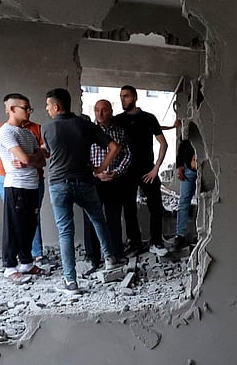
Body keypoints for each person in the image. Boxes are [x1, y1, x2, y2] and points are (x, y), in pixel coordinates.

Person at [41, 88, 124, 295]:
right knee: (98, 220)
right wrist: (100, 168)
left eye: (48, 105)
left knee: (65, 232)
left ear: (57, 106)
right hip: (85, 182)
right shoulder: (85, 125)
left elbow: (48, 153)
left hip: (59, 184)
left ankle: (71, 282)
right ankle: (110, 260)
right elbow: (115, 147)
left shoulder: (48, 128)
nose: (47, 109)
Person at [0, 94, 46, 284]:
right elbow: (26, 158)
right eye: (25, 108)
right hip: (16, 186)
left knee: (30, 225)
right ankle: (9, 267)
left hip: (32, 184)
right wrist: (31, 158)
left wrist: (30, 159)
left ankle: (26, 262)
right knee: (14, 227)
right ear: (12, 109)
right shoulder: (5, 131)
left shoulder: (28, 133)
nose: (29, 111)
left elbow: (41, 160)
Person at [112, 85, 168, 256]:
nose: (123, 99)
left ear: (135, 97)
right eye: (121, 96)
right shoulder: (117, 120)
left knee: (156, 207)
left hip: (147, 170)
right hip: (126, 171)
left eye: (126, 96)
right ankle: (135, 243)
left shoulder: (148, 118)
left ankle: (156, 242)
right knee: (129, 209)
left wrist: (156, 169)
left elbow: (163, 144)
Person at [82, 99, 133, 271]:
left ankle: (115, 253)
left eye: (104, 110)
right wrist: (95, 172)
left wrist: (117, 172)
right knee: (91, 218)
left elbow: (127, 155)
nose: (100, 114)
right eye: (97, 110)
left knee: (113, 217)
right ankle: (92, 257)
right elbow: (81, 156)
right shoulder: (87, 132)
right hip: (93, 181)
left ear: (111, 111)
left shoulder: (119, 132)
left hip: (114, 180)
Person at [170, 134, 197, 248]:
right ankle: (180, 236)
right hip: (189, 169)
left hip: (205, 168)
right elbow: (183, 142)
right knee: (183, 202)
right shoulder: (190, 128)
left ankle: (202, 234)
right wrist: (180, 165)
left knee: (206, 200)